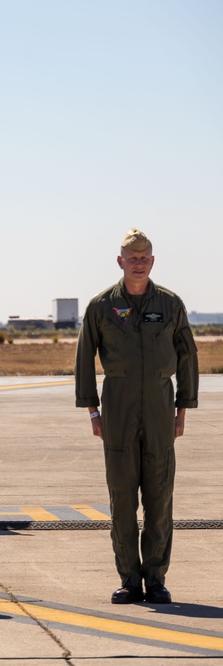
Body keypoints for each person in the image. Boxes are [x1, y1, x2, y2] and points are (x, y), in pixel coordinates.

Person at [75, 228, 198, 605]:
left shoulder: (171, 304)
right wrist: (93, 410)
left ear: (153, 261)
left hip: (160, 407)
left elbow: (188, 356)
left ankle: (156, 579)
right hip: (117, 407)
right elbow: (84, 358)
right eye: (133, 258)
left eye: (145, 258)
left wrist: (182, 409)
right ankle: (130, 580)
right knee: (122, 498)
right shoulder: (101, 306)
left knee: (160, 496)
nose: (139, 264)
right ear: (120, 262)